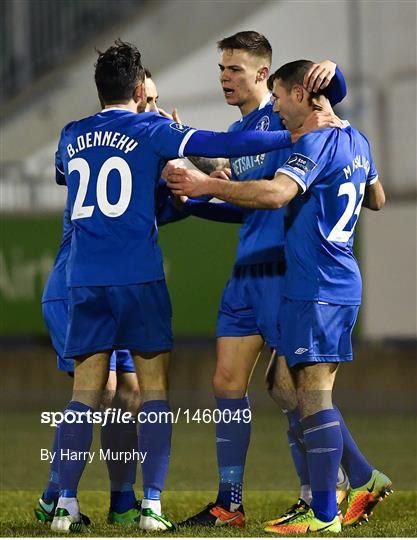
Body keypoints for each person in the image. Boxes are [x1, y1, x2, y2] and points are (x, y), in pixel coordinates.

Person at [50, 38, 319, 533]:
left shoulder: (71, 133)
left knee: (83, 397)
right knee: (154, 395)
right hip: (138, 278)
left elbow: (65, 175)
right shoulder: (152, 127)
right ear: (137, 89)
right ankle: (151, 504)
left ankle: (63, 503)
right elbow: (228, 144)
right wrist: (293, 136)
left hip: (83, 282)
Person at [166, 58, 391, 534]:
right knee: (287, 386)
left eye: (282, 97)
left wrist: (206, 185)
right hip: (335, 278)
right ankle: (342, 489)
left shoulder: (310, 139)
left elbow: (274, 196)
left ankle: (324, 507)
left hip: (314, 282)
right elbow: (376, 198)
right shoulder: (355, 138)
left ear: (291, 92)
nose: (278, 108)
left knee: (309, 394)